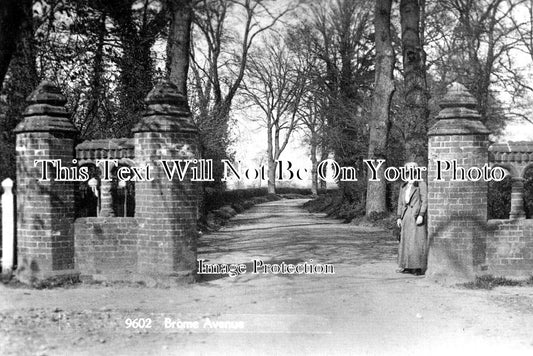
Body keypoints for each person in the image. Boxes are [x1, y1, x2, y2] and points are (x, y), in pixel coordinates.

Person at [396, 162, 428, 275]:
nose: (409, 173)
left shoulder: (421, 184)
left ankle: (417, 267)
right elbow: (400, 202)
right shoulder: (403, 185)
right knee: (405, 240)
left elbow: (425, 201)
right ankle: (405, 265)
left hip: (415, 215)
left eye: (412, 171)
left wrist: (421, 215)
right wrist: (399, 217)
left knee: (416, 241)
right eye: (407, 171)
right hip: (405, 215)